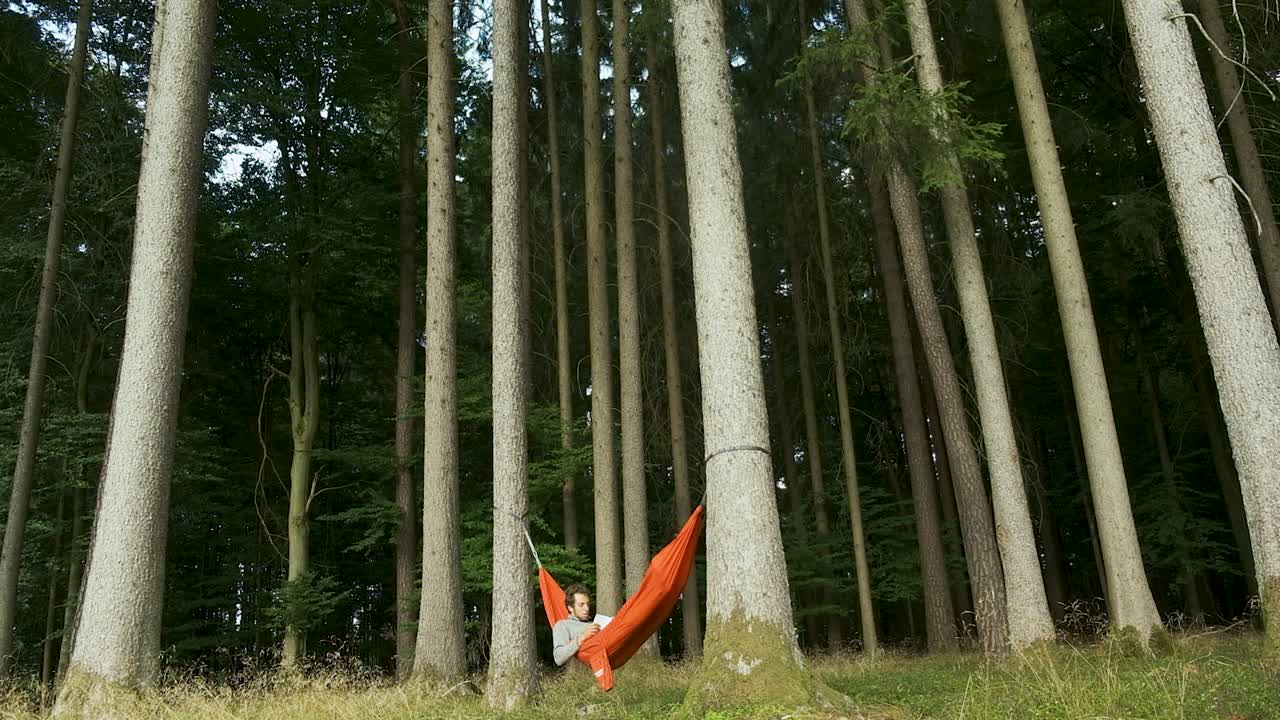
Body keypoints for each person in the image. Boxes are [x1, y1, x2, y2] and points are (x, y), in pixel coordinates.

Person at [552, 584, 600, 666]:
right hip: (578, 677)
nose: (587, 609)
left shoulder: (594, 624)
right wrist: (581, 638)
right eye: (581, 605)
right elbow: (558, 658)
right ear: (570, 608)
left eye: (587, 604)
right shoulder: (563, 625)